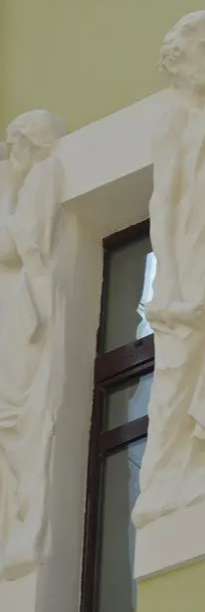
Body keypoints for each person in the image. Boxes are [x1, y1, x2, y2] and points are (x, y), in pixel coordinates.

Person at [132, 11, 205, 527]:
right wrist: (169, 277)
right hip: (189, 254)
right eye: (204, 50)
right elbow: (165, 200)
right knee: (179, 362)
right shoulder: (175, 119)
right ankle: (163, 478)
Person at [0, 110, 68, 580]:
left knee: (15, 416)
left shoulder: (41, 177)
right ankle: (21, 522)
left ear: (30, 144)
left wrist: (8, 185)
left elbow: (10, 246)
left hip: (28, 312)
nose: (11, 154)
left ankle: (26, 523)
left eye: (14, 144)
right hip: (23, 307)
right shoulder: (34, 180)